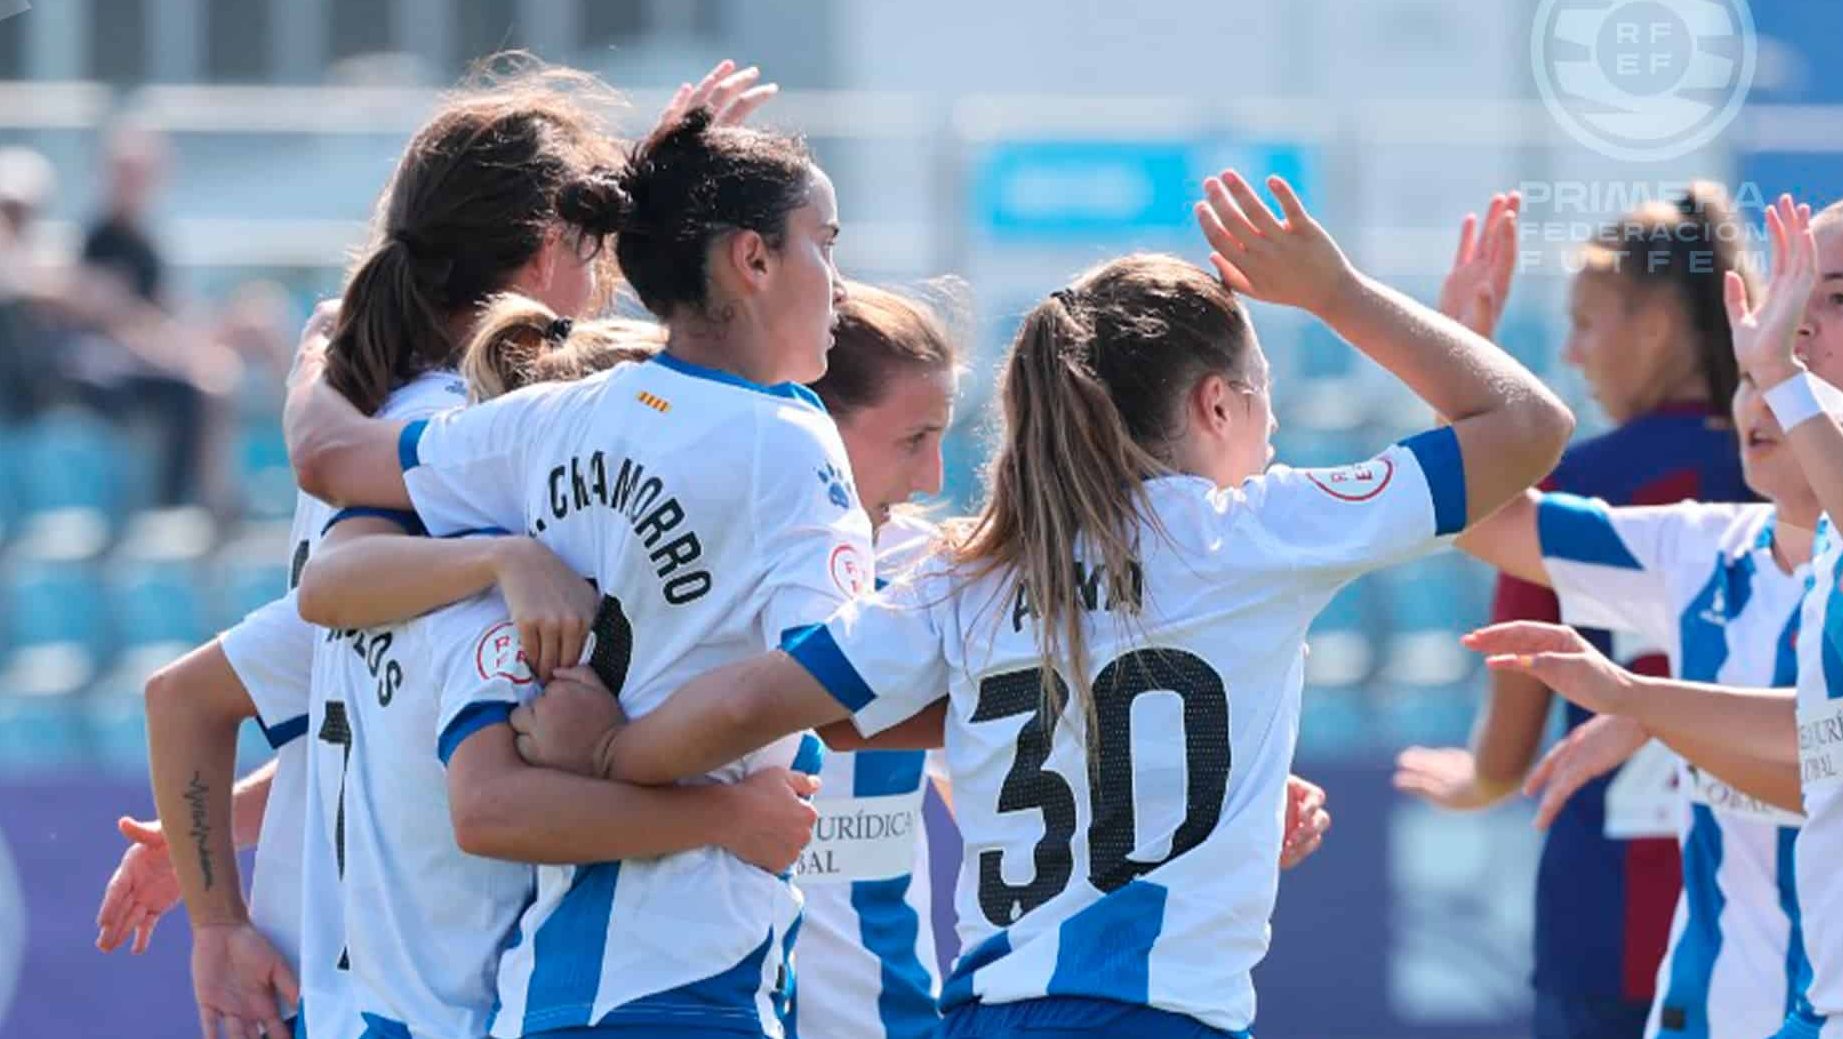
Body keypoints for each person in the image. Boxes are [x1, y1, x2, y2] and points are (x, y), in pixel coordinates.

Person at [500, 170, 1573, 1038]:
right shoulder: (1252, 531)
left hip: (984, 1011)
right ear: (1215, 402)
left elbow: (782, 706)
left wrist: (613, 752)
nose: (1274, 428)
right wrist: (1334, 291)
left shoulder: (967, 574)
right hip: (1158, 1016)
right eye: (1263, 398)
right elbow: (1526, 423)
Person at [100, 56, 773, 1039]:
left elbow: (250, 701)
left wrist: (216, 910)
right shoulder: (472, 447)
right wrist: (723, 814)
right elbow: (482, 787)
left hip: (346, 993)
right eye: (598, 250)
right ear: (549, 248)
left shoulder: (373, 418)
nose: (608, 286)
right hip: (446, 991)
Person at [280, 105, 868, 1039]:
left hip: (544, 986)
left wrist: (316, 352)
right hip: (693, 976)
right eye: (823, 246)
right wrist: (625, 759)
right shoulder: (788, 437)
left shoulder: (547, 420)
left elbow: (333, 464)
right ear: (751, 260)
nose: (837, 284)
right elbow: (830, 689)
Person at [1465, 197, 1843, 1039]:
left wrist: (1646, 710)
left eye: (1836, 299)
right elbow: (1480, 517)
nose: (1795, 339)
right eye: (1750, 376)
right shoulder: (1711, 543)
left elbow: (1814, 767)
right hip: (1712, 1001)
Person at [1396, 185, 1758, 1039]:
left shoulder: (1572, 493)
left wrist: (1475, 779)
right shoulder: (1794, 483)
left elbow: (1506, 749)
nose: (1571, 351)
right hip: (1772, 931)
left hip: (1606, 939)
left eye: (1587, 323)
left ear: (1656, 328)